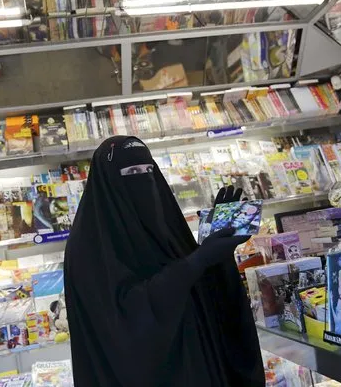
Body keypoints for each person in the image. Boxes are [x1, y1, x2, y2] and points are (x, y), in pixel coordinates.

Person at [64, 136, 264, 387]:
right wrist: (196, 262)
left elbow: (198, 285)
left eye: (149, 170)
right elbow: (125, 318)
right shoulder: (89, 245)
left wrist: (216, 244)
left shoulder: (165, 226)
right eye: (133, 171)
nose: (144, 178)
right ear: (108, 181)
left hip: (200, 365)